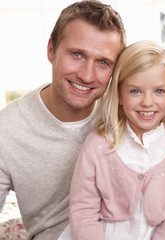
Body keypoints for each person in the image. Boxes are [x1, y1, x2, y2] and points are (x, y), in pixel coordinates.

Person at [0, 1, 126, 239]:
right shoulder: (7, 131)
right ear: (51, 50)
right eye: (77, 54)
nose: (87, 75)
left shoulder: (127, 113)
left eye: (103, 62)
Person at [58, 40, 165, 240]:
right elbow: (83, 211)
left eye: (159, 91)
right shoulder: (98, 144)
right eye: (135, 91)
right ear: (120, 95)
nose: (147, 102)